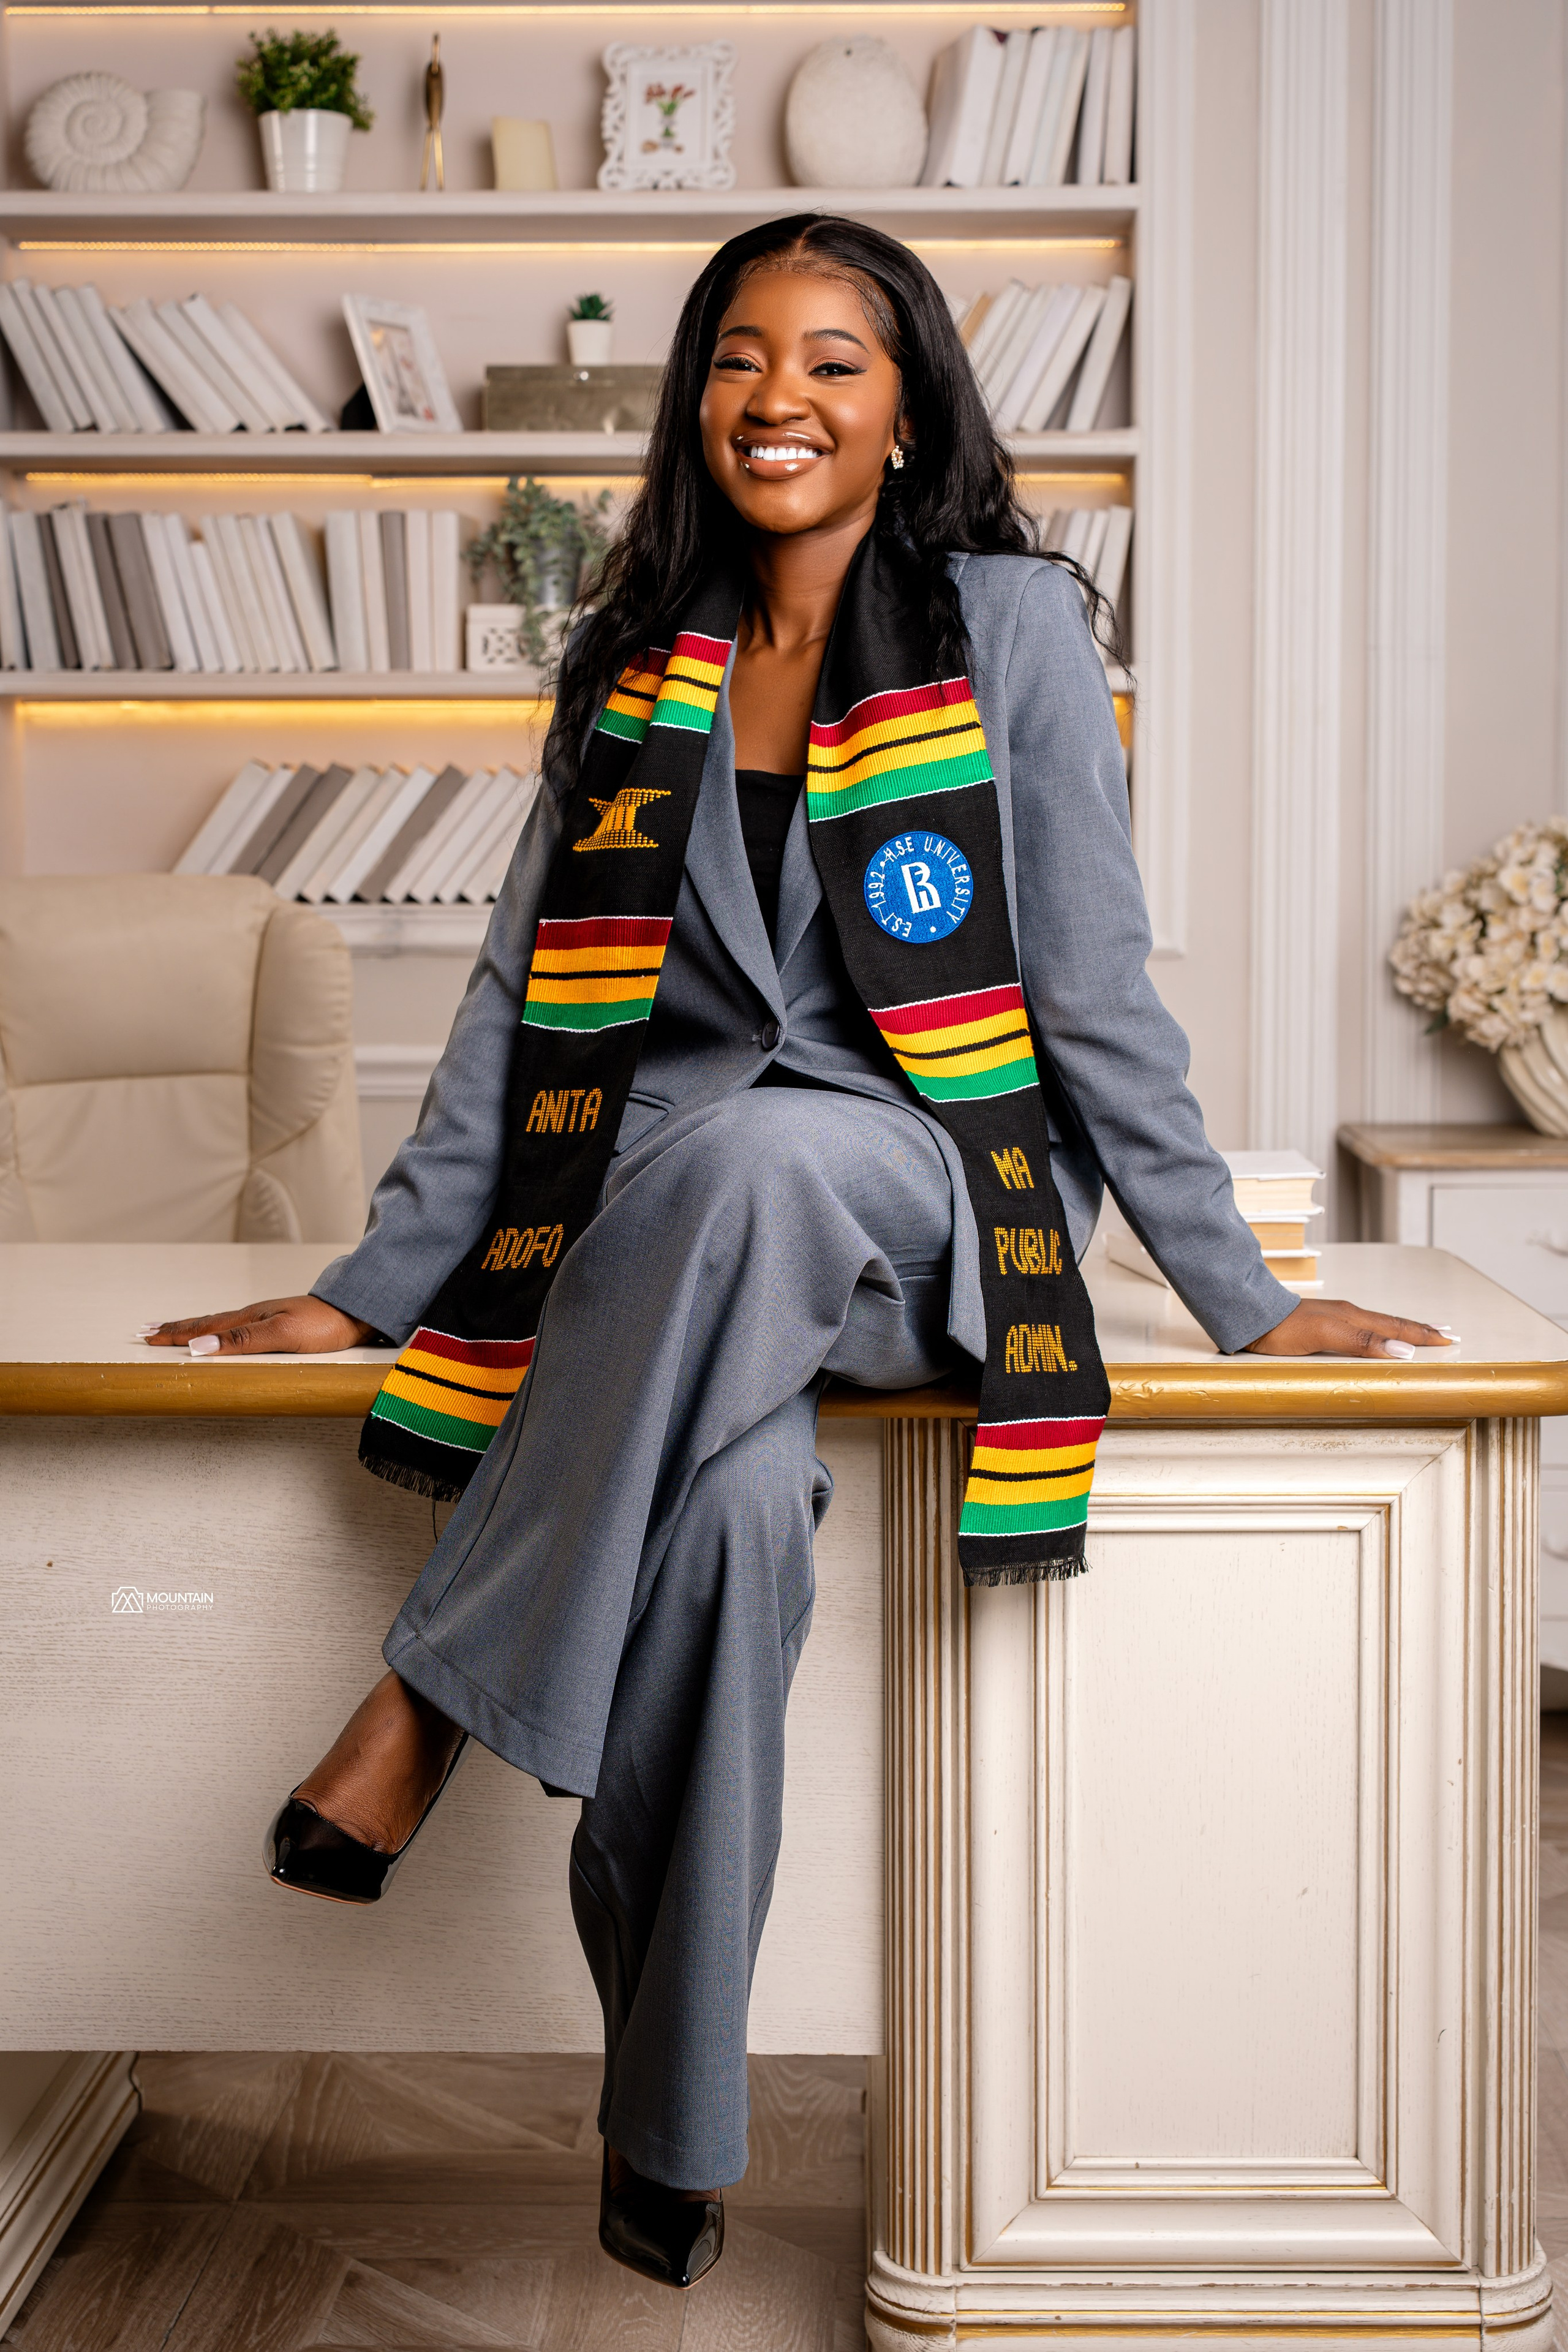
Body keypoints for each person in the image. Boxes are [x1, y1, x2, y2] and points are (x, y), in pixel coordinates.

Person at [142, 214, 1448, 2291]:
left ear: (906, 402)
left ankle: (427, 1710)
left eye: (835, 360)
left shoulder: (1007, 629)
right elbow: (515, 1003)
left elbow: (1093, 988)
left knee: (764, 1156)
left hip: (918, 1192)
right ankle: (673, 2125)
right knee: (736, 1517)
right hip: (658, 1226)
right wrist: (372, 1285)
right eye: (743, 358)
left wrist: (1245, 1284)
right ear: (697, 397)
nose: (781, 399)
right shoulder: (631, 653)